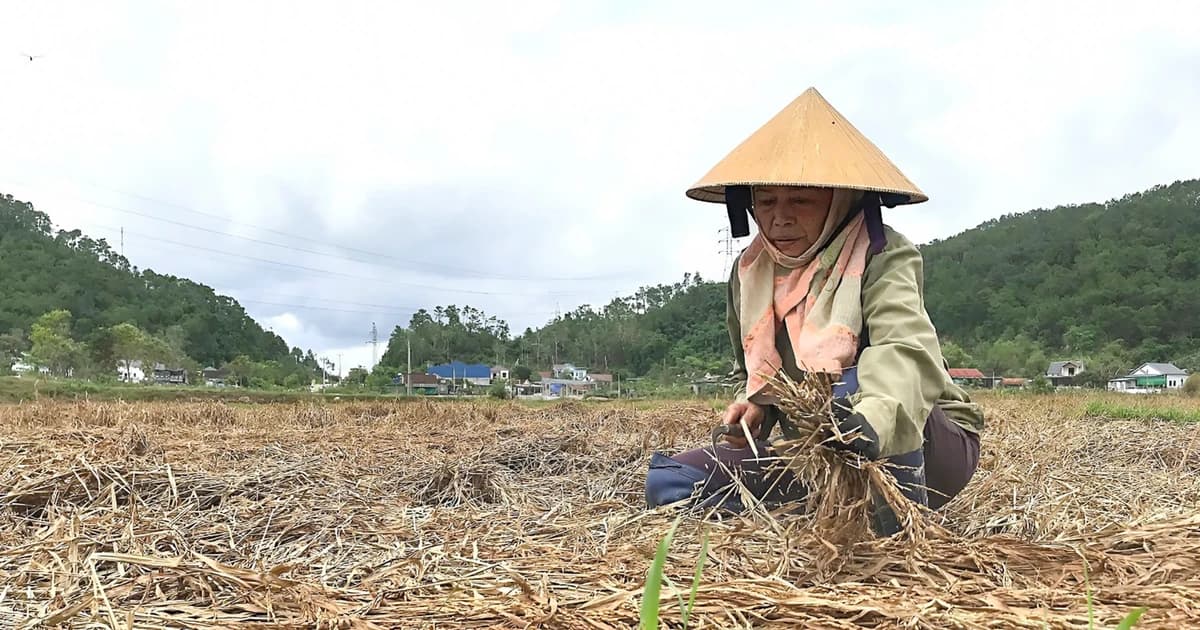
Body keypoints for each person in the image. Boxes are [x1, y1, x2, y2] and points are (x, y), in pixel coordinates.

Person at [645, 88, 985, 532]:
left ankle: (896, 533)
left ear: (837, 200)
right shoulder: (750, 272)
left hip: (918, 437)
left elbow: (904, 351)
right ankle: (825, 508)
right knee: (672, 483)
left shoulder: (883, 254)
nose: (779, 218)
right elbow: (761, 374)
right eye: (766, 201)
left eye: (800, 201)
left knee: (851, 384)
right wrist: (758, 409)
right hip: (815, 449)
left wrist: (866, 425)